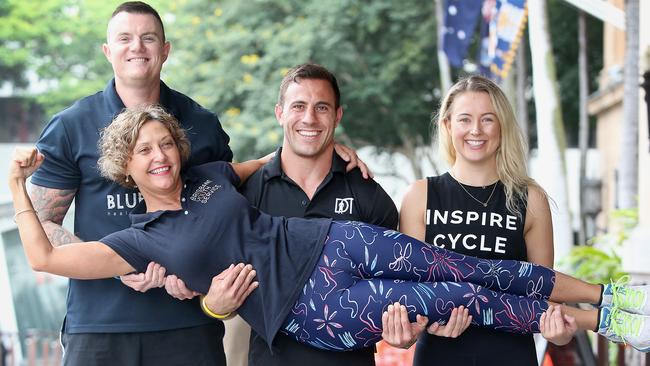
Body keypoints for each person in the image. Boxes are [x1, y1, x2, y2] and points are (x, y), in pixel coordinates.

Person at [10, 105, 650, 355]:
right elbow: (42, 256)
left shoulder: (210, 174)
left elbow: (277, 153)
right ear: (126, 166)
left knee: (471, 266)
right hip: (309, 306)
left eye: (164, 143)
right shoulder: (138, 240)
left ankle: (612, 297)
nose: (159, 156)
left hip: (331, 240)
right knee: (460, 299)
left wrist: (342, 149)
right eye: (144, 151)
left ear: (177, 147)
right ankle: (614, 321)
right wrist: (16, 188)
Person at [197, 63, 471, 366]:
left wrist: (403, 332)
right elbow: (223, 290)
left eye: (322, 107)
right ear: (280, 113)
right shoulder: (246, 197)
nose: (309, 118)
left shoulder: (370, 197)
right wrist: (214, 307)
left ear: (338, 116)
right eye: (298, 106)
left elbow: (394, 295)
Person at [27, 2, 246, 365]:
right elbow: (39, 222)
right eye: (124, 38)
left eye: (148, 38)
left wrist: (201, 274)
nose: (137, 47)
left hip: (188, 322)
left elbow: (228, 217)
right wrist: (113, 265)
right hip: (100, 326)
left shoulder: (202, 124)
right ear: (107, 51)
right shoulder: (71, 125)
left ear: (165, 50)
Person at [400, 74, 575, 364]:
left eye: (488, 119)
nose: (476, 130)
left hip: (510, 356)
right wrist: (413, 329)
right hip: (439, 356)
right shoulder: (420, 196)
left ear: (502, 126)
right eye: (465, 119)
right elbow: (407, 301)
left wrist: (559, 333)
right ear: (447, 125)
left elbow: (549, 302)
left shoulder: (530, 199)